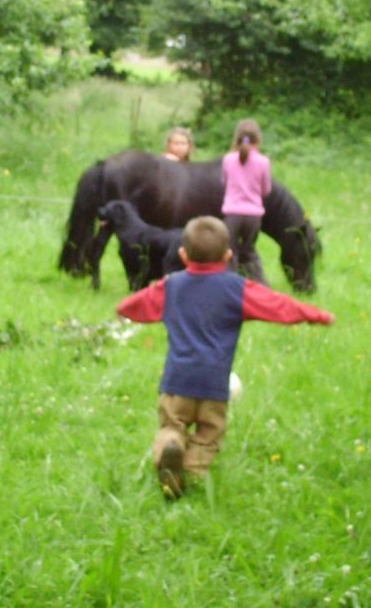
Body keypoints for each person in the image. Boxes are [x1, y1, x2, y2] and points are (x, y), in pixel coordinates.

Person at [116, 216, 334, 500]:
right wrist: (315, 315)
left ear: (183, 255)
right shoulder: (237, 289)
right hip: (215, 387)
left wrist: (124, 309)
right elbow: (278, 305)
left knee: (172, 425)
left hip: (177, 382)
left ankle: (171, 447)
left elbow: (131, 306)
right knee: (208, 435)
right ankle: (191, 473)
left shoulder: (171, 286)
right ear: (228, 255)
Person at [222, 118, 272, 284]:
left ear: (236, 138)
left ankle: (230, 284)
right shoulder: (264, 162)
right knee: (249, 251)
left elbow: (224, 182)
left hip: (232, 214)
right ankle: (260, 287)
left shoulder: (228, 159)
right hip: (253, 215)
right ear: (258, 139)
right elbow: (266, 190)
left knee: (230, 251)